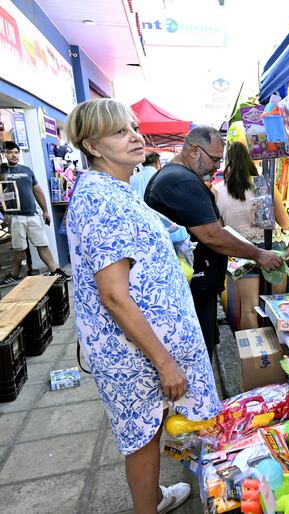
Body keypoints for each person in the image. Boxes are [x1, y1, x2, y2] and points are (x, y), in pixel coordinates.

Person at [63, 99, 221, 514]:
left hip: (142, 348)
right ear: (93, 146)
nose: (134, 136)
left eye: (133, 127)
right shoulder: (101, 198)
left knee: (147, 434)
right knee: (143, 436)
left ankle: (152, 499)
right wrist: (165, 361)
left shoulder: (114, 189)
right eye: (119, 131)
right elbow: (113, 294)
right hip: (136, 352)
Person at [145, 127, 282, 358]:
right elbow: (211, 234)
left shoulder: (177, 177)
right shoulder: (181, 181)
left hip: (194, 285)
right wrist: (258, 254)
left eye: (220, 160)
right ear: (194, 151)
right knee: (198, 352)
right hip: (193, 289)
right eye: (215, 160)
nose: (217, 166)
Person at [0, 141, 69, 285]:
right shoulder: (2, 170)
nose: (13, 155)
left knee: (42, 244)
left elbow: (37, 191)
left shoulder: (27, 170)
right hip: (15, 216)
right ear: (4, 154)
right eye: (10, 152)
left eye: (16, 152)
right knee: (19, 249)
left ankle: (55, 270)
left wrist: (45, 211)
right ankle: (15, 274)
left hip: (32, 214)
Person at [213, 141, 289, 245]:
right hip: (271, 246)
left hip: (238, 251)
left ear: (227, 162)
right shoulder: (265, 184)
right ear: (250, 161)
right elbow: (285, 223)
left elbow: (220, 232)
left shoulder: (216, 191)